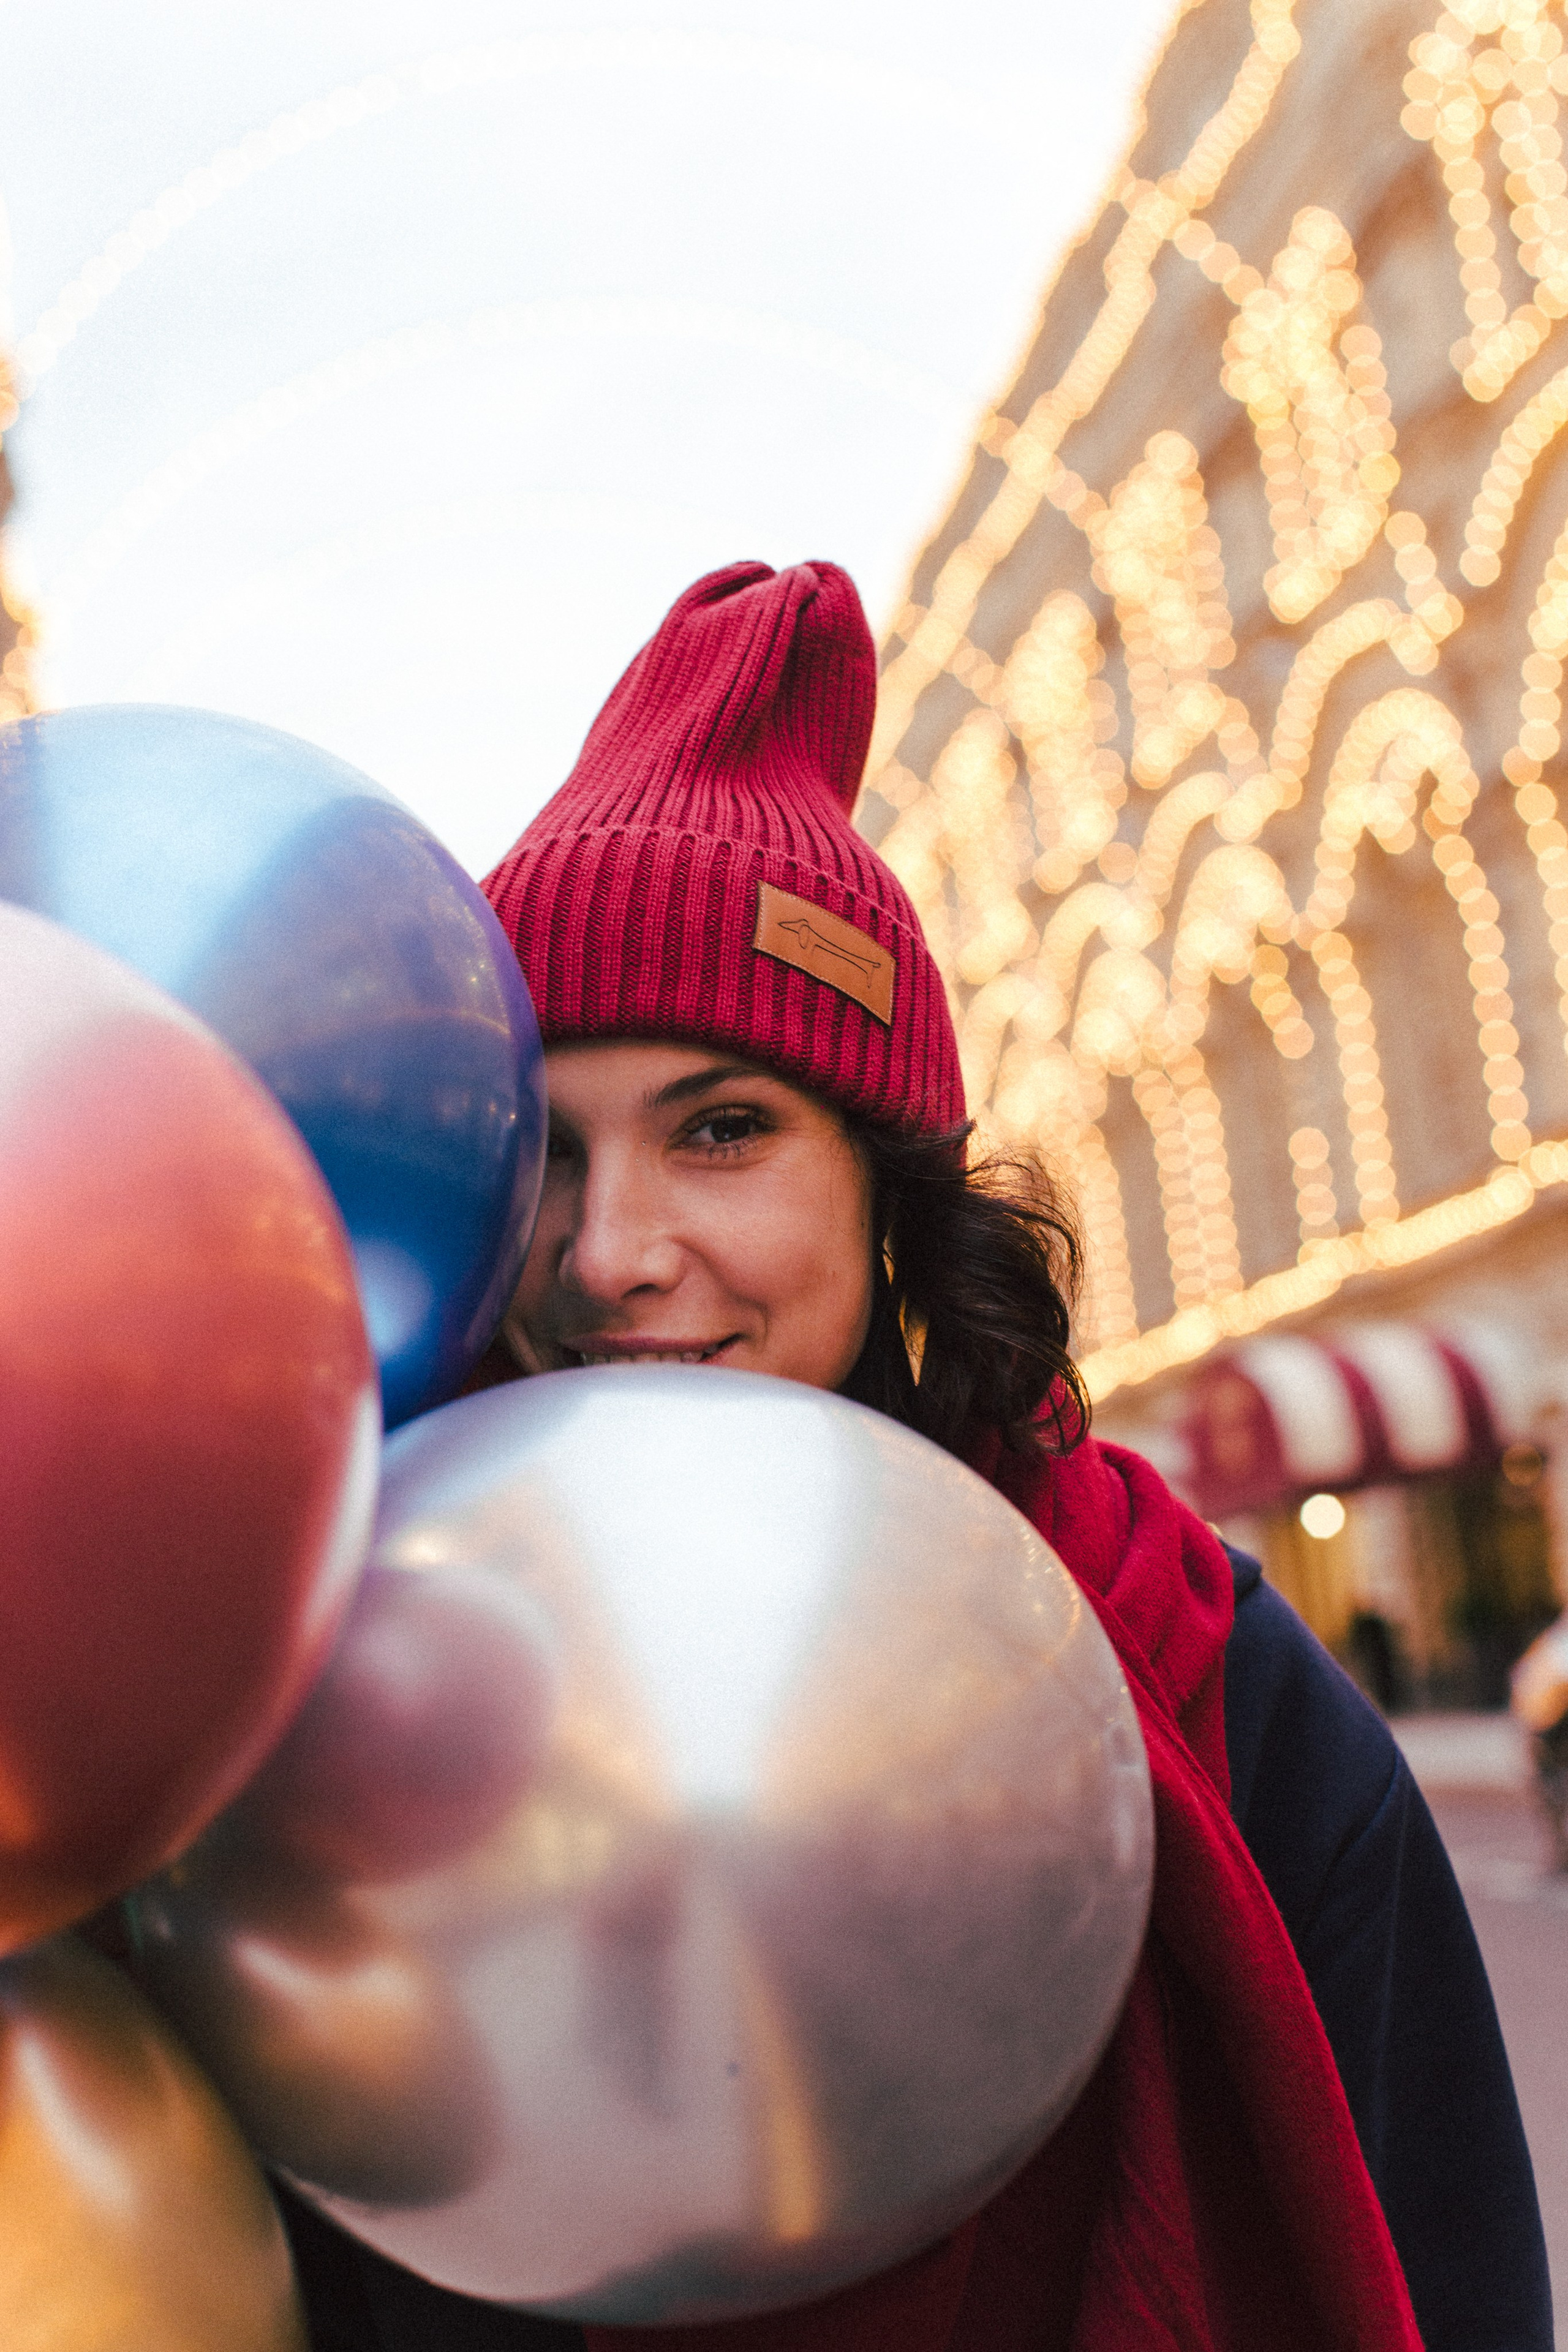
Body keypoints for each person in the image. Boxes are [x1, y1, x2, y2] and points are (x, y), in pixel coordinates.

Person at [278, 560, 1551, 2352]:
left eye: (723, 1129)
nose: (607, 1250)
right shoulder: (345, 1701)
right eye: (547, 1151)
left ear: (892, 1196)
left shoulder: (1209, 1686)